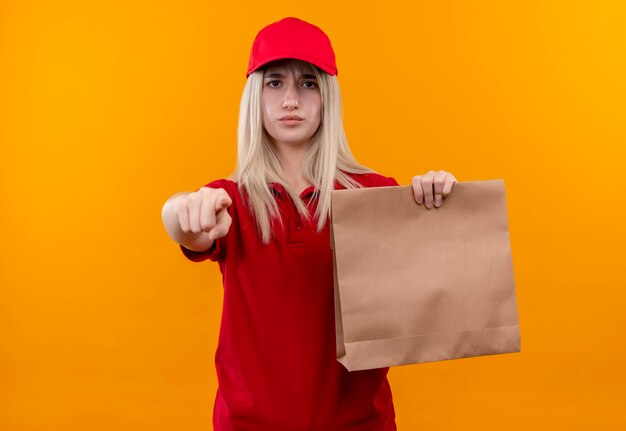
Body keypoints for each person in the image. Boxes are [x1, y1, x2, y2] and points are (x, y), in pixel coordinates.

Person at [161, 17, 457, 431]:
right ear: (254, 96)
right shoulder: (230, 200)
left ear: (327, 97)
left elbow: (434, 281)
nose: (290, 100)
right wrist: (180, 211)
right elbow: (186, 225)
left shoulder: (373, 195)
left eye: (308, 84)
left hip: (358, 423)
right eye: (275, 83)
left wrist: (437, 199)